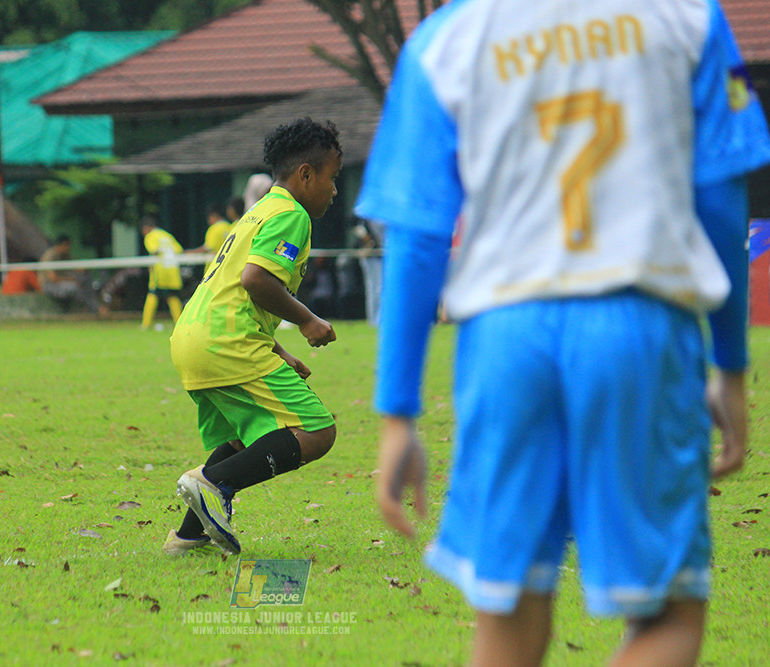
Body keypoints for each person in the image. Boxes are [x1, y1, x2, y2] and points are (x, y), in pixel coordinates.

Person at [356, 2, 770, 666]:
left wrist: (397, 413)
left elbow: (416, 234)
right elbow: (721, 196)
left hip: (505, 339)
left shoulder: (443, 40)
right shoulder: (689, 16)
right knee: (670, 615)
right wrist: (730, 364)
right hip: (641, 326)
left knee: (508, 618)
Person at [164, 117, 342, 555]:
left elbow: (234, 288)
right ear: (306, 174)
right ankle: (212, 484)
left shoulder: (257, 211)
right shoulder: (291, 215)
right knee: (317, 430)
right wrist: (307, 320)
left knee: (248, 433)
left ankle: (188, 536)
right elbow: (256, 280)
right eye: (332, 177)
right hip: (227, 341)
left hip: (194, 335)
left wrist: (277, 350)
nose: (335, 190)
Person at [38, 235, 105, 315]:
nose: (68, 248)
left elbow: (75, 266)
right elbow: (53, 278)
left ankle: (94, 306)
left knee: (86, 278)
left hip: (63, 282)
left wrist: (84, 269)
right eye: (66, 245)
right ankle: (85, 308)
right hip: (50, 285)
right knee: (74, 288)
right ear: (60, 245)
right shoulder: (50, 256)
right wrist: (71, 280)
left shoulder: (65, 254)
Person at [140, 216, 184, 330]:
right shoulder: (166, 235)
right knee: (172, 295)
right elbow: (179, 250)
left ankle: (145, 324)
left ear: (146, 228)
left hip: (160, 270)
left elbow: (154, 251)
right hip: (173, 269)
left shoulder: (150, 236)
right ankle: (179, 323)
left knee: (153, 294)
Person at [186, 202, 233, 274]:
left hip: (213, 269)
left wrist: (192, 252)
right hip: (227, 268)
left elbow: (208, 248)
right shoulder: (230, 226)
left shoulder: (214, 228)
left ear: (213, 215)